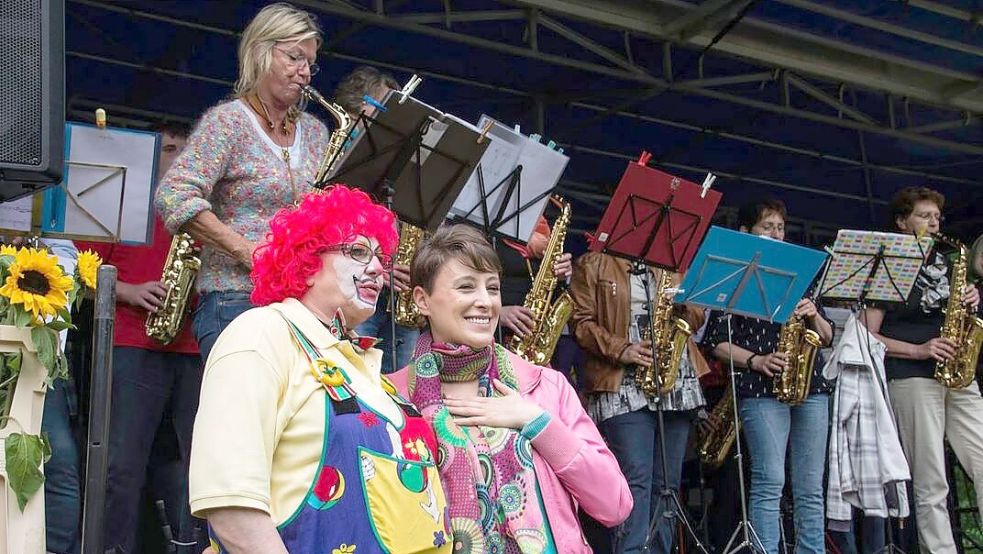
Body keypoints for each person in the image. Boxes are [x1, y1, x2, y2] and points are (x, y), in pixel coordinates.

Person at [189, 186, 450, 553]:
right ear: (306, 263)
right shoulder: (262, 333)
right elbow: (232, 507)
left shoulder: (367, 368)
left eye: (381, 256)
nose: (377, 267)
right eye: (358, 252)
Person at [389, 224, 632, 553]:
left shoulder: (545, 386)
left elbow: (614, 504)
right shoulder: (389, 398)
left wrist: (538, 423)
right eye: (466, 287)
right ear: (422, 300)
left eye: (492, 288)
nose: (485, 302)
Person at [155, 2, 331, 364]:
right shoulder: (228, 123)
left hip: (303, 307)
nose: (305, 73)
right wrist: (245, 250)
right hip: (235, 300)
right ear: (260, 52)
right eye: (295, 58)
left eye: (310, 63)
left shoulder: (315, 132)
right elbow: (174, 194)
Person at [75, 122, 203, 553]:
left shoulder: (201, 214)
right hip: (132, 340)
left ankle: (193, 544)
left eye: (186, 150)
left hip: (193, 346)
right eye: (169, 148)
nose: (179, 157)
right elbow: (77, 271)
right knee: (121, 463)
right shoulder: (119, 201)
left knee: (199, 464)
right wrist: (129, 291)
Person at [703, 198, 834, 554]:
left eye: (779, 227)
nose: (776, 234)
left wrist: (813, 315)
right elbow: (715, 341)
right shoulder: (737, 276)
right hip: (760, 388)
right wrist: (757, 361)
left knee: (810, 485)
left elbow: (826, 336)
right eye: (767, 227)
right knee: (769, 480)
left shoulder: (800, 275)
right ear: (747, 233)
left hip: (810, 386)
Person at [862, 186, 983, 554]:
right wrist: (918, 349)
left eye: (936, 217)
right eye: (924, 216)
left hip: (957, 375)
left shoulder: (947, 264)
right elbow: (866, 335)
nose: (934, 223)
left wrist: (972, 300)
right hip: (912, 376)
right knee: (932, 481)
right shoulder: (886, 267)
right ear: (902, 222)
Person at [568, 250, 710, 554]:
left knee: (668, 486)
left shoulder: (675, 261)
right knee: (635, 479)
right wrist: (622, 349)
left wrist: (683, 306)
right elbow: (579, 322)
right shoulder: (593, 262)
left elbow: (698, 315)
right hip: (622, 380)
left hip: (674, 378)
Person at [332, 65, 422, 374]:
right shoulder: (337, 159)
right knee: (352, 378)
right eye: (383, 106)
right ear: (355, 109)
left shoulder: (400, 162)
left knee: (396, 393)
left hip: (400, 303)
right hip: (356, 292)